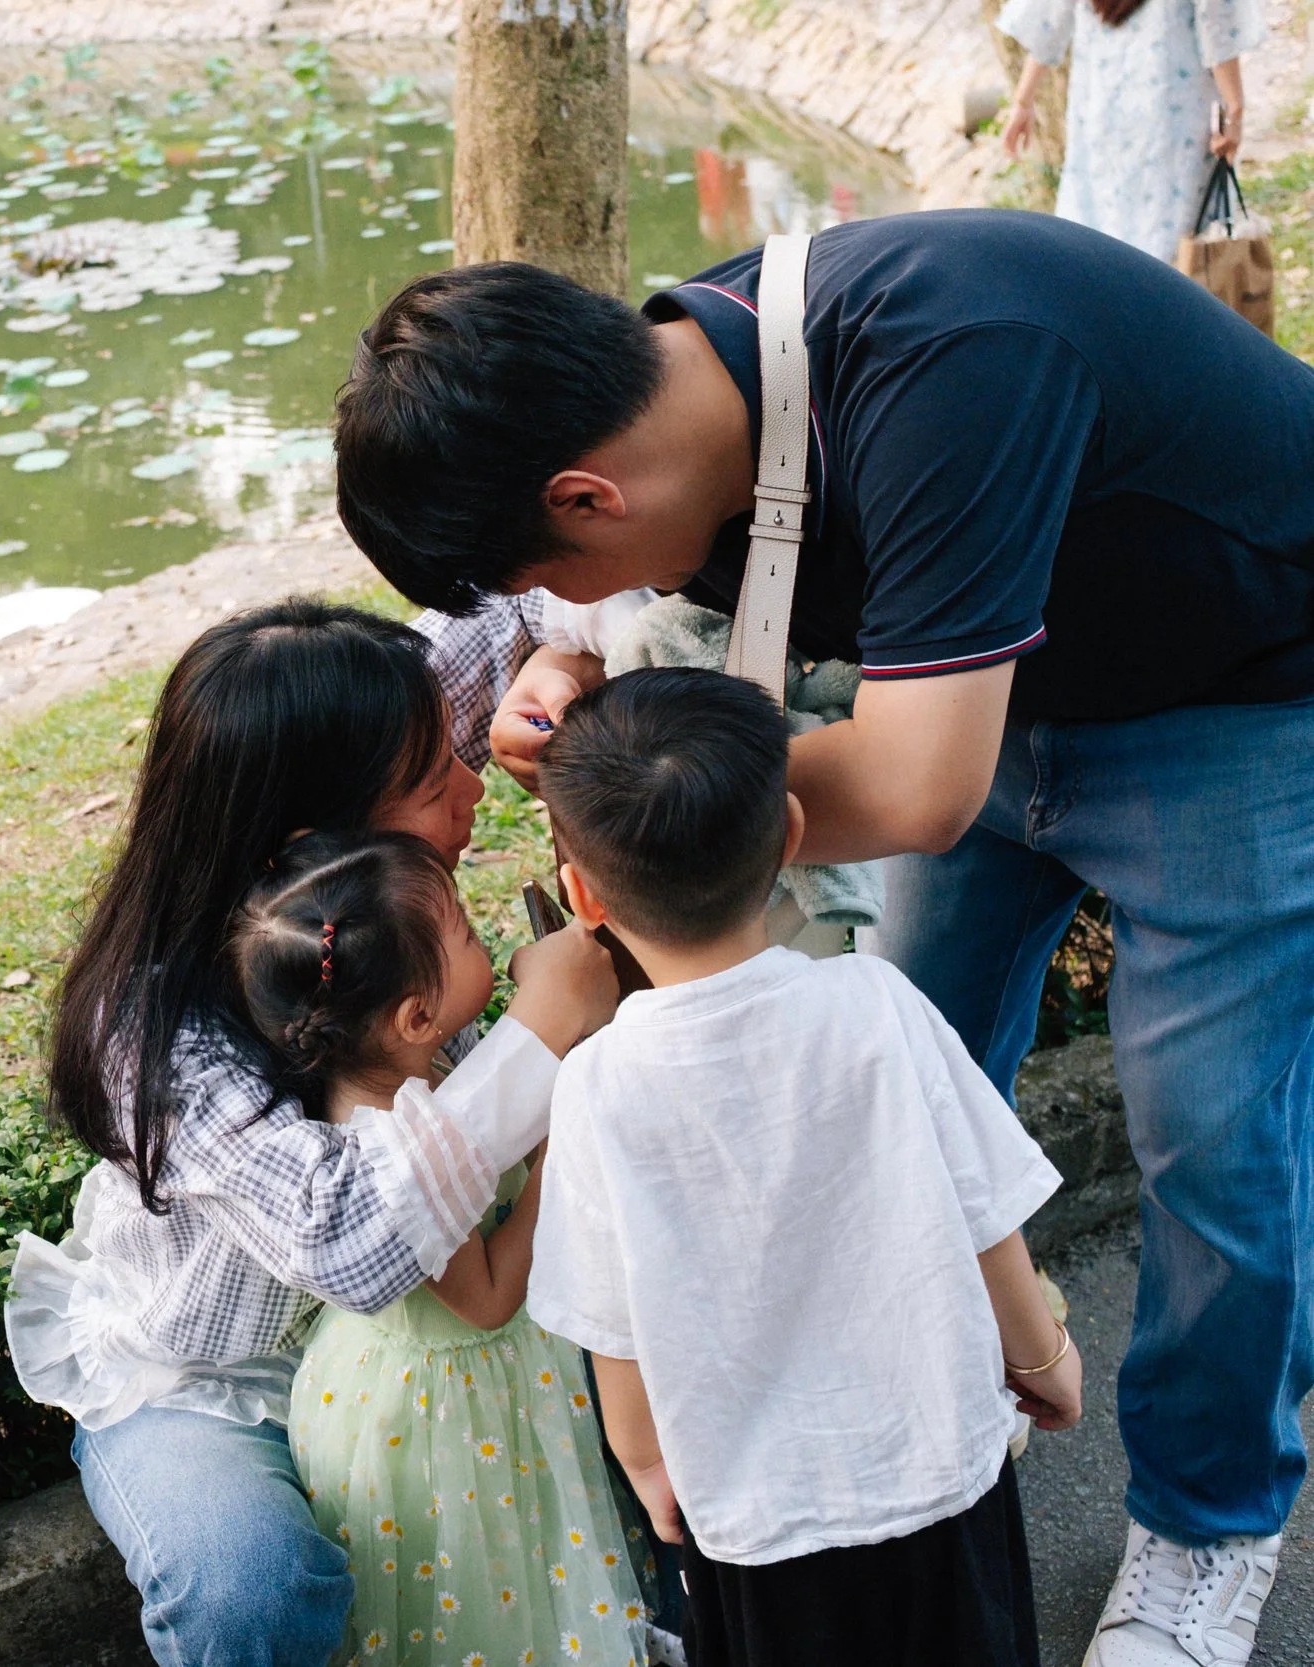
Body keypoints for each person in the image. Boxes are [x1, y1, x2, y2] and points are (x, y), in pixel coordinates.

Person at [332, 224, 1314, 1666]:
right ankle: (931, 1393)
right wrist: (567, 667)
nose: (579, 609)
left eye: (555, 573)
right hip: (985, 682)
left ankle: (1208, 1523)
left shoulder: (950, 363)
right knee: (896, 1065)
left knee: (1215, 1146)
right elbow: (610, 607)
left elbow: (919, 789)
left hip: (1235, 698)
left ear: (590, 492)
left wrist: (632, 821)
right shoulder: (679, 378)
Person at [4, 597, 620, 1667]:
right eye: (439, 778)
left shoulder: (359, 769)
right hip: (215, 1382)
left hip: (429, 1361)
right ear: (314, 849)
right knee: (255, 1591)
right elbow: (354, 1237)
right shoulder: (151, 1032)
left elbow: (516, 593)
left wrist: (557, 661)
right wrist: (545, 1027)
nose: (475, 782)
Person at [526, 667, 1079, 1667]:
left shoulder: (598, 1081)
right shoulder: (873, 1002)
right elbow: (980, 1210)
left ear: (583, 894)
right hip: (937, 1465)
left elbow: (612, 1320)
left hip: (752, 1511)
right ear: (788, 835)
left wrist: (650, 1465)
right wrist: (1042, 1360)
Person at [233, 831, 655, 1667]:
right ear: (416, 1015)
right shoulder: (403, 1144)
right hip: (449, 1417)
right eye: (463, 930)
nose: (482, 935)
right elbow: (491, 1293)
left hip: (481, 1385)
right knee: (493, 1613)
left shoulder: (411, 1075)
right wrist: (561, 1149)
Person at [998, 0, 1264, 262]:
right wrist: (1234, 112)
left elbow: (1048, 19)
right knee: (1178, 246)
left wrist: (1023, 100)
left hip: (1100, 113)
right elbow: (1216, 27)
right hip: (1175, 118)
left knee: (1104, 233)